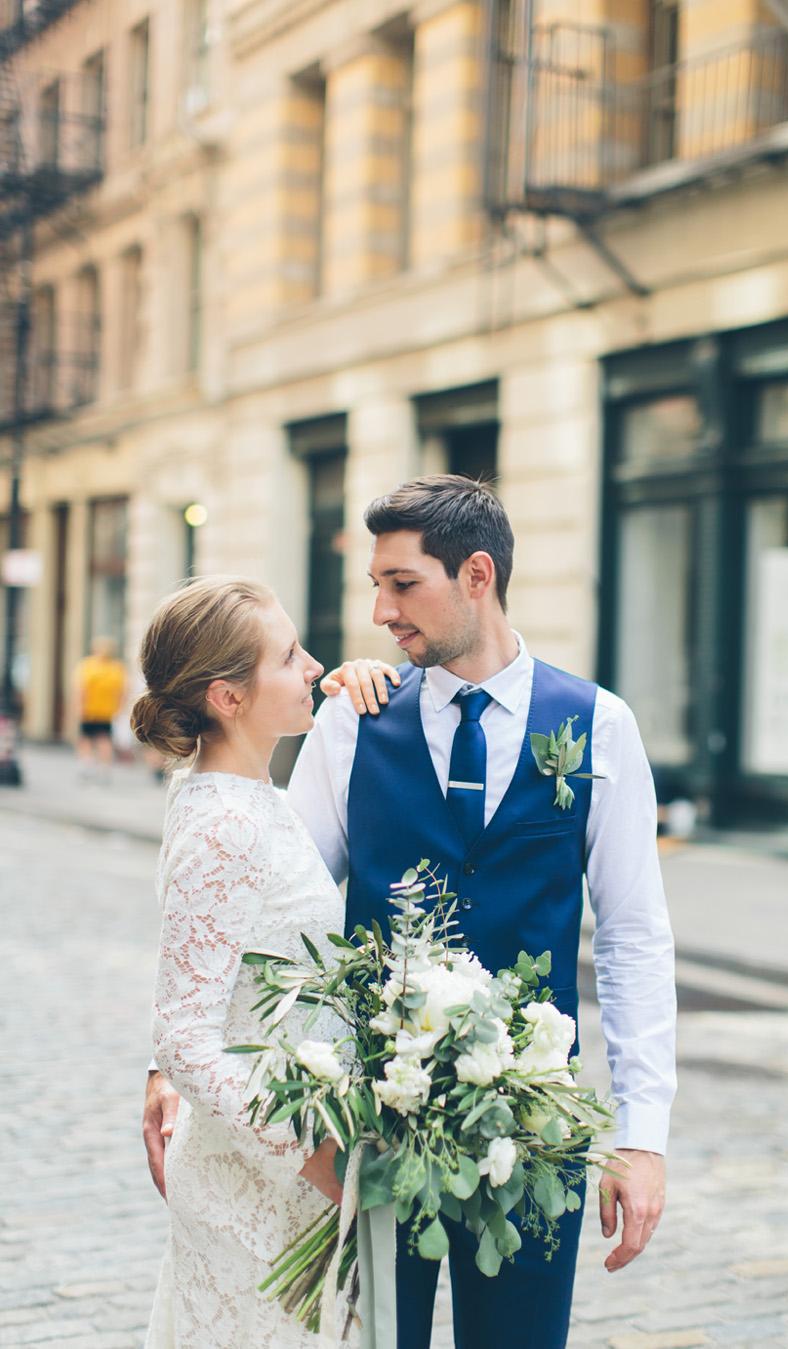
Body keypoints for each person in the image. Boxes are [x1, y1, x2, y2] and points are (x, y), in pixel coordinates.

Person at [144, 476, 677, 1349]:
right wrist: (166, 1065)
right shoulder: (351, 725)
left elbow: (633, 940)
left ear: (476, 575)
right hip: (366, 1138)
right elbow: (259, 921)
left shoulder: (600, 727)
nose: (383, 610)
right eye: (376, 586)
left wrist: (643, 1136)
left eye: (403, 584)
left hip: (532, 1138)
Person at [133, 577, 348, 1348]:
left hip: (289, 1174)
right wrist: (313, 1152)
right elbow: (185, 1035)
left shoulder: (261, 799)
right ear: (228, 696)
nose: (314, 664)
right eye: (289, 655)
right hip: (255, 1181)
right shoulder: (222, 823)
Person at [72, 636, 127, 781]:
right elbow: (122, 692)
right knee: (104, 740)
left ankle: (86, 765)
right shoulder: (116, 668)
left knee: (86, 739)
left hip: (89, 710)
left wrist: (78, 707)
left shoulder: (87, 665)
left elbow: (80, 689)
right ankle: (104, 768)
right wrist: (119, 708)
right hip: (107, 712)